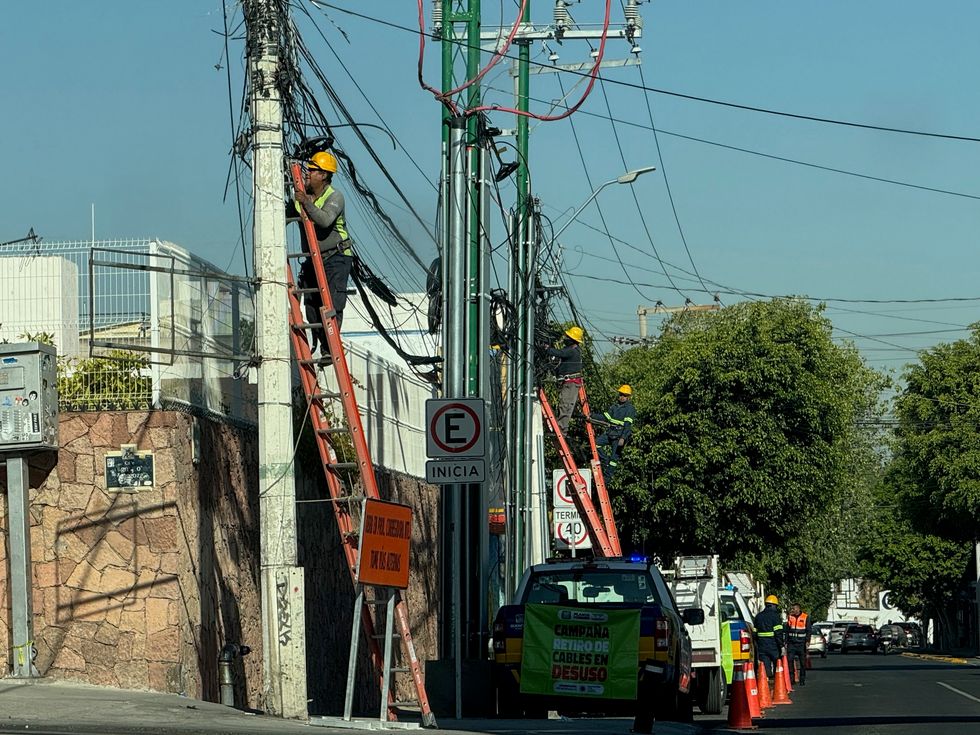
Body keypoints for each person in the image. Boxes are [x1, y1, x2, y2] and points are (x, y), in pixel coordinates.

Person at [287, 151, 353, 355]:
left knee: (331, 303)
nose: (308, 173)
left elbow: (324, 220)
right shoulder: (300, 197)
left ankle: (329, 348)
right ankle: (318, 344)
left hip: (336, 257)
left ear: (324, 175)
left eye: (313, 170)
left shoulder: (334, 196)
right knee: (312, 305)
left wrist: (305, 202)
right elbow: (284, 214)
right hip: (312, 259)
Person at [593, 385, 637, 481]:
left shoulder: (630, 409)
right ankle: (605, 460)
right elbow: (605, 417)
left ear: (628, 397)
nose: (622, 397)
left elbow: (627, 425)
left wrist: (623, 438)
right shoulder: (614, 407)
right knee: (595, 444)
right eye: (621, 394)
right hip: (610, 433)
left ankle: (607, 478)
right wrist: (591, 416)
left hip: (619, 437)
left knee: (614, 459)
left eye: (624, 395)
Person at [545, 326, 584, 434]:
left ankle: (561, 429)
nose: (565, 338)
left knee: (565, 405)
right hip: (568, 382)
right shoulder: (570, 350)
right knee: (563, 404)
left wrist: (547, 349)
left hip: (571, 383)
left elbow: (560, 353)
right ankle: (560, 427)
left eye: (568, 337)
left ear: (572, 340)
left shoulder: (572, 351)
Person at [753, 594, 785, 684]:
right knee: (777, 663)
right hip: (773, 644)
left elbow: (754, 632)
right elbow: (778, 633)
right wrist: (781, 646)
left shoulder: (758, 616)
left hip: (762, 645)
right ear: (774, 605)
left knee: (765, 664)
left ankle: (766, 682)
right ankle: (777, 683)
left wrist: (757, 643)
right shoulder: (775, 616)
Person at [786, 602, 812, 685]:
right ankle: (792, 679)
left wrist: (807, 641)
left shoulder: (805, 617)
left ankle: (802, 679)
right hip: (791, 643)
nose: (792, 610)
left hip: (801, 643)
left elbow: (808, 630)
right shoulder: (790, 617)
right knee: (789, 661)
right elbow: (787, 630)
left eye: (794, 608)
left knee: (802, 663)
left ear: (798, 609)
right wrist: (786, 642)